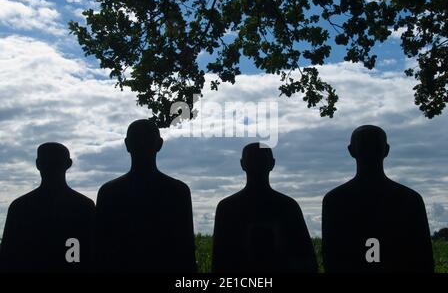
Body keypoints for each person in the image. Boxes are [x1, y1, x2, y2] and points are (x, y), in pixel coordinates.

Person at [322, 125, 434, 273]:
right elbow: (423, 258)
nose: (369, 150)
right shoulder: (410, 198)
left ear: (351, 151)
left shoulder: (334, 200)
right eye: (366, 145)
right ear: (386, 150)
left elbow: (331, 258)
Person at [95, 119, 197, 272]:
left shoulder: (109, 192)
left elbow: (100, 251)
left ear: (127, 145)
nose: (142, 144)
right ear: (159, 144)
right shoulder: (178, 191)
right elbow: (186, 251)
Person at [212, 143, 317, 272]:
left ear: (242, 164)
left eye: (258, 159)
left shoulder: (227, 207)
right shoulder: (288, 206)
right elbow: (307, 261)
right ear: (272, 164)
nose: (257, 163)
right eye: (254, 159)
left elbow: (219, 262)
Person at [0, 143, 95, 272]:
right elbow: (91, 254)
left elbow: (8, 257)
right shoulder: (84, 205)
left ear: (38, 164)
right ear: (68, 164)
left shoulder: (20, 207)